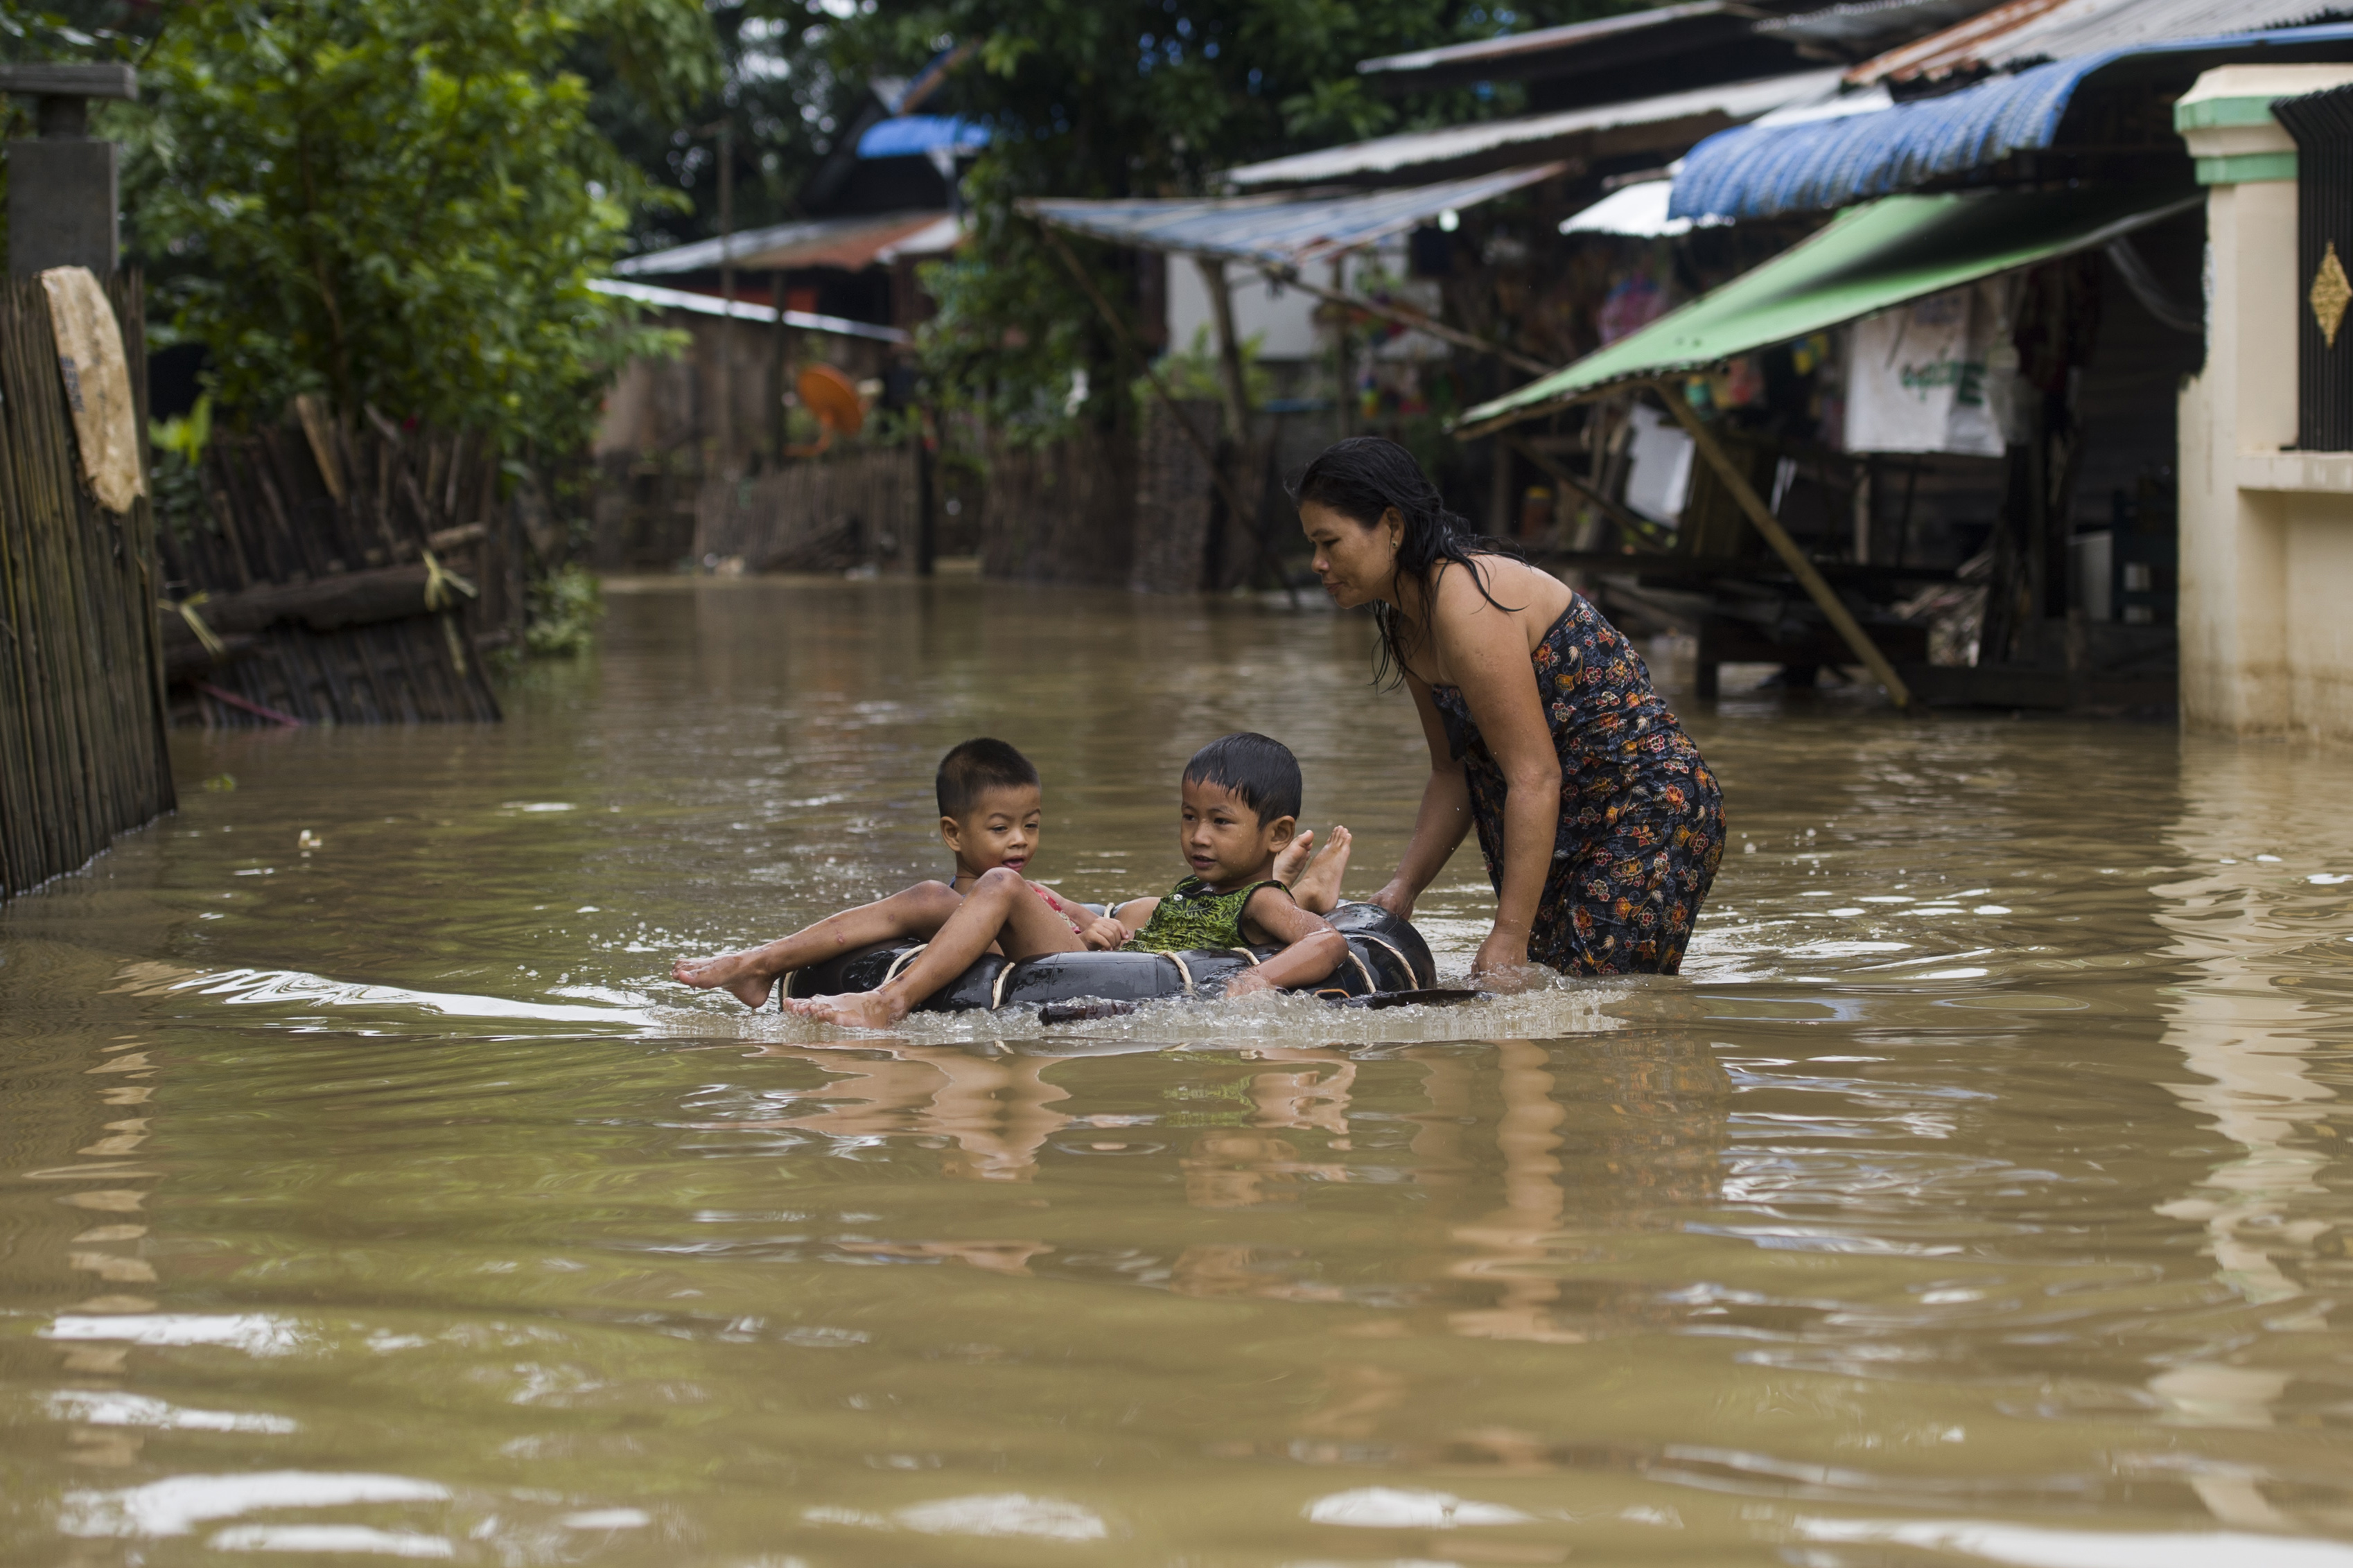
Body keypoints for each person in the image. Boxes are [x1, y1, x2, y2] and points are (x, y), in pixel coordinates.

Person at [1295, 436, 1723, 982]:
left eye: (1328, 541)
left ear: (1393, 526)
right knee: (1557, 1005)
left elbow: (1534, 774)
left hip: (1646, 809)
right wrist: (1405, 886)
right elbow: (1452, 772)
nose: (1317, 562)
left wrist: (1508, 931)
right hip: (1561, 825)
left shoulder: (1466, 600)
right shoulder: (1408, 627)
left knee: (1597, 1013)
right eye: (1312, 544)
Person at [676, 737, 1354, 1010]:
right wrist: (1093, 919)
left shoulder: (1257, 904)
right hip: (1100, 951)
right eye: (1186, 817)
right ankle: (759, 961)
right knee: (931, 895)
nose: (1196, 836)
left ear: (1271, 835)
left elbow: (1326, 943)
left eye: (1219, 823)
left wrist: (1257, 979)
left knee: (995, 885)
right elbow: (1146, 911)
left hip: (1094, 973)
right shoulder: (1199, 890)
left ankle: (887, 1004)